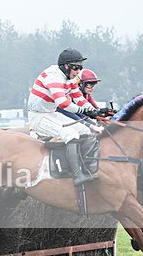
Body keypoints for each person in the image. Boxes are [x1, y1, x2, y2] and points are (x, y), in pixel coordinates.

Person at [27, 48, 109, 185]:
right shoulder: (54, 76)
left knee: (85, 131)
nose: (78, 72)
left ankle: (88, 168)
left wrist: (97, 111)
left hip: (51, 113)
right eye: (76, 68)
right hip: (38, 116)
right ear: (66, 66)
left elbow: (79, 98)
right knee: (71, 134)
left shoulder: (70, 77)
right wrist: (87, 111)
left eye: (80, 68)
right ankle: (77, 175)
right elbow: (63, 103)